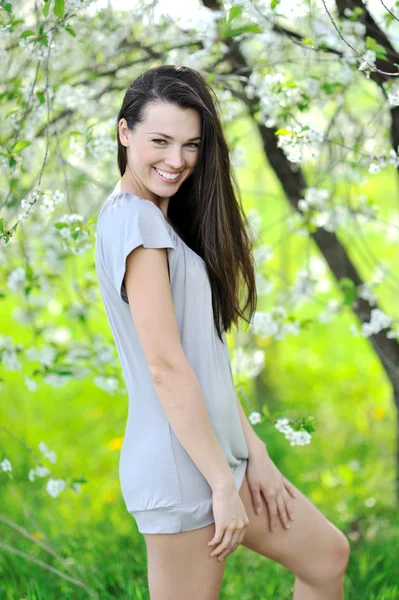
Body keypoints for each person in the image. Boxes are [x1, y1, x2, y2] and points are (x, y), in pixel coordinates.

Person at [95, 65, 350, 600]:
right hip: (184, 469)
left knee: (326, 557)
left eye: (190, 144)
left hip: (216, 456)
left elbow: (203, 357)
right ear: (125, 133)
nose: (177, 160)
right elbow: (165, 367)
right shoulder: (136, 224)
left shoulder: (156, 222)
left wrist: (253, 452)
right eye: (159, 141)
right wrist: (219, 483)